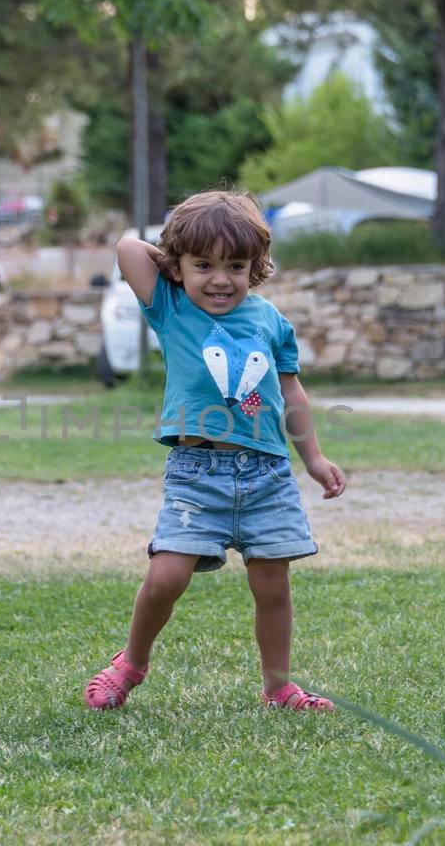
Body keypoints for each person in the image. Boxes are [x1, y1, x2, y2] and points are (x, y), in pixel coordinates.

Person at [83, 190, 347, 713]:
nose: (220, 279)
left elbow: (291, 392)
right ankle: (131, 663)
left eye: (236, 265)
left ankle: (278, 687)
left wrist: (313, 458)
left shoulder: (269, 320)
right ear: (179, 267)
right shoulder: (171, 308)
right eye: (204, 265)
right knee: (166, 577)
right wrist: (178, 255)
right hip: (196, 472)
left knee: (272, 585)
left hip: (267, 473)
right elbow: (127, 247)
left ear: (257, 267)